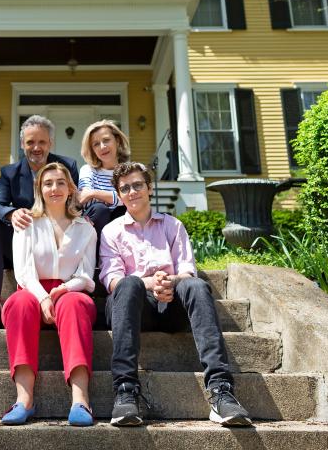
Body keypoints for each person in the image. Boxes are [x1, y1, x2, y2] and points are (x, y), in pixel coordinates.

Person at [99, 162, 252, 427]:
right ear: (119, 195)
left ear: (149, 188)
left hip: (170, 305)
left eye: (137, 185)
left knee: (196, 286)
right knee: (128, 285)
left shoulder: (173, 225)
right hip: (132, 307)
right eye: (125, 188)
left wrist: (167, 282)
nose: (132, 191)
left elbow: (187, 272)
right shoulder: (111, 231)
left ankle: (220, 391)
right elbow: (112, 281)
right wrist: (149, 282)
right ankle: (125, 390)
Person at [0, 163, 98, 426]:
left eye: (60, 182)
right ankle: (24, 400)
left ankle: (81, 400)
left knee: (74, 304)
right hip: (32, 292)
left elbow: (87, 276)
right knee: (18, 303)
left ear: (70, 188)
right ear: (39, 189)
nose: (54, 188)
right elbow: (23, 272)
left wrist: (64, 289)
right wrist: (43, 296)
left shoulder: (86, 228)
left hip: (70, 292)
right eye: (48, 183)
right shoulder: (26, 223)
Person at [0, 115, 80, 329]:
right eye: (30, 142)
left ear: (50, 143)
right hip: (23, 245)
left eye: (42, 142)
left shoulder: (67, 166)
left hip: (57, 244)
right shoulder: (10, 172)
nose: (36, 147)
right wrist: (11, 213)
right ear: (22, 144)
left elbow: (75, 205)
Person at [77, 119, 129, 237]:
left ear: (117, 141)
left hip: (122, 228)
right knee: (100, 209)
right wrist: (117, 197)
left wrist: (94, 193)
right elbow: (85, 198)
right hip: (95, 229)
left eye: (106, 140)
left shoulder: (130, 171)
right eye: (96, 144)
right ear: (93, 150)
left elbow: (130, 198)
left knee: (123, 211)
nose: (102, 146)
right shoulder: (88, 170)